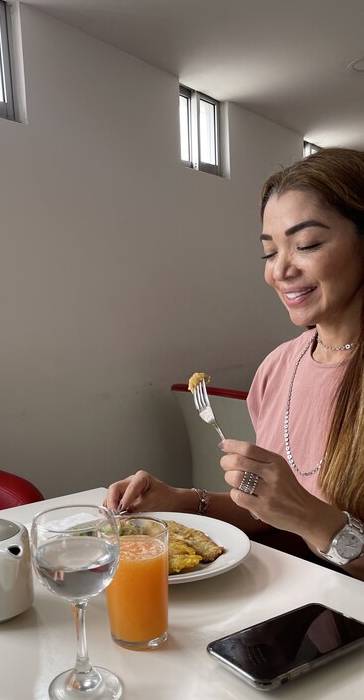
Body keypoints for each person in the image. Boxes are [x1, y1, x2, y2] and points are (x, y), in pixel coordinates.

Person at [105, 148, 364, 580]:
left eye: (307, 245)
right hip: (295, 611)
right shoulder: (280, 367)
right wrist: (181, 501)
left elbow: (299, 517)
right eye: (269, 252)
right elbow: (269, 514)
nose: (279, 270)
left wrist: (313, 520)